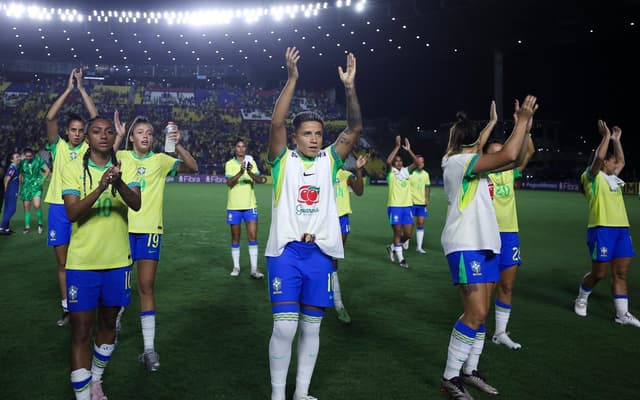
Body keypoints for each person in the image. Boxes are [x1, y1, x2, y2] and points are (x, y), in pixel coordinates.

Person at [266, 47, 361, 400]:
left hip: (320, 254)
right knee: (286, 327)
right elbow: (276, 123)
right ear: (295, 137)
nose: (315, 138)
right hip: (286, 253)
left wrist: (349, 88)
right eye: (307, 133)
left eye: (319, 134)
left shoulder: (330, 161)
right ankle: (278, 395)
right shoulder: (282, 161)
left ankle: (301, 393)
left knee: (311, 328)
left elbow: (354, 127)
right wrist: (292, 79)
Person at [439, 96, 538, 399]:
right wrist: (521, 122)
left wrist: (493, 124)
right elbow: (509, 153)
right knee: (477, 311)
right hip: (465, 244)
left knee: (480, 315)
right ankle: (450, 377)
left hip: (485, 243)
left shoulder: (463, 159)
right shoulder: (459, 163)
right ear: (473, 146)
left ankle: (469, 370)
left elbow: (507, 156)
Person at [62, 115, 141, 400]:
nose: (104, 136)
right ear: (88, 138)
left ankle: (96, 381)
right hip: (82, 263)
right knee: (81, 331)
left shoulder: (127, 165)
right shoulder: (73, 168)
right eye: (96, 131)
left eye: (109, 131)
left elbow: (136, 204)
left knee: (108, 323)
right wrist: (100, 187)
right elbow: (72, 213)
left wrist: (117, 182)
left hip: (118, 262)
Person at [112, 113, 199, 371]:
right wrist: (117, 137)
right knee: (119, 285)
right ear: (131, 137)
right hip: (121, 228)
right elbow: (99, 158)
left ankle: (149, 349)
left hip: (150, 229)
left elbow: (192, 168)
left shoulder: (161, 160)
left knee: (146, 287)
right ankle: (112, 328)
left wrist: (178, 143)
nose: (146, 136)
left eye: (149, 132)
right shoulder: (123, 157)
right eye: (140, 132)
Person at [44, 68, 98, 326]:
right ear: (66, 132)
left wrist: (82, 88)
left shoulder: (88, 147)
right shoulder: (59, 147)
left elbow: (97, 118)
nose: (77, 134)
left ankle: (85, 303)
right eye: (73, 130)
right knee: (63, 262)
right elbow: (50, 117)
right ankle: (67, 306)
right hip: (57, 207)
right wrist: (68, 89)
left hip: (79, 207)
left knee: (84, 259)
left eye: (80, 130)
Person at [573, 120, 639, 327]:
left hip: (621, 230)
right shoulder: (591, 177)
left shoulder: (612, 177)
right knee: (599, 273)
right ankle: (581, 298)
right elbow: (600, 156)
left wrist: (616, 140)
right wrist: (604, 137)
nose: (615, 164)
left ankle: (622, 314)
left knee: (620, 273)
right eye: (611, 162)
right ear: (603, 163)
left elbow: (622, 161)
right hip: (601, 229)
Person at [485, 124, 535, 350]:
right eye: (493, 153)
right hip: (485, 235)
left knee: (506, 285)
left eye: (501, 152)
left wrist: (525, 129)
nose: (499, 156)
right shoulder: (479, 174)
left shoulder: (509, 171)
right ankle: (476, 329)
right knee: (487, 287)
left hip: (509, 233)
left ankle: (500, 333)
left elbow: (529, 152)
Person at [333, 153, 368, 324]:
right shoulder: (323, 173)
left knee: (333, 258)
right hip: (323, 220)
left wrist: (359, 170)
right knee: (325, 259)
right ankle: (336, 302)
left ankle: (338, 303)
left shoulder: (347, 175)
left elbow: (359, 191)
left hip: (342, 219)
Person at [225, 138, 267, 278]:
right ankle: (236, 267)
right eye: (238, 146)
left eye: (243, 147)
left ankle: (254, 269)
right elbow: (229, 183)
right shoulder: (230, 164)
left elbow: (260, 180)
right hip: (234, 206)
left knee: (252, 237)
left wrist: (249, 172)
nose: (241, 149)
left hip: (250, 206)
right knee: (235, 237)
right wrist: (240, 171)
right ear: (235, 148)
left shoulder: (252, 163)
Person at [385, 135, 418, 268]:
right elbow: (388, 161)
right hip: (395, 207)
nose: (398, 162)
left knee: (408, 234)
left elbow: (417, 163)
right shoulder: (391, 173)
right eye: (396, 161)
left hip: (407, 207)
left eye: (400, 161)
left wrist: (409, 150)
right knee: (397, 232)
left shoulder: (406, 172)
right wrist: (397, 147)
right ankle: (402, 259)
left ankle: (392, 247)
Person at [19, 147, 50, 234]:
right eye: (27, 156)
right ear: (24, 156)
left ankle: (40, 225)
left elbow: (47, 170)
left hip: (36, 186)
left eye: (30, 156)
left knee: (37, 205)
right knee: (26, 207)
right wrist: (21, 185)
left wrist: (41, 181)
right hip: (26, 187)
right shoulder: (22, 162)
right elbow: (21, 174)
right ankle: (27, 227)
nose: (28, 157)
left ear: (33, 155)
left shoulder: (38, 160)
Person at [409, 154, 431, 253]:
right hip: (411, 202)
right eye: (419, 161)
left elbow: (427, 187)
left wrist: (426, 198)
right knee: (409, 224)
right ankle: (405, 242)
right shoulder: (410, 174)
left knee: (421, 222)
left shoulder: (426, 174)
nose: (421, 163)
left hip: (421, 203)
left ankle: (419, 247)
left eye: (422, 161)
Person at [0, 152, 21, 235]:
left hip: (10, 191)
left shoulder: (13, 167)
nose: (19, 158)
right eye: (17, 157)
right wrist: (6, 190)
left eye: (19, 156)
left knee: (7, 209)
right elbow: (7, 179)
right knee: (12, 209)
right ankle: (2, 227)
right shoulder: (13, 168)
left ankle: (6, 228)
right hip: (11, 191)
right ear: (12, 160)